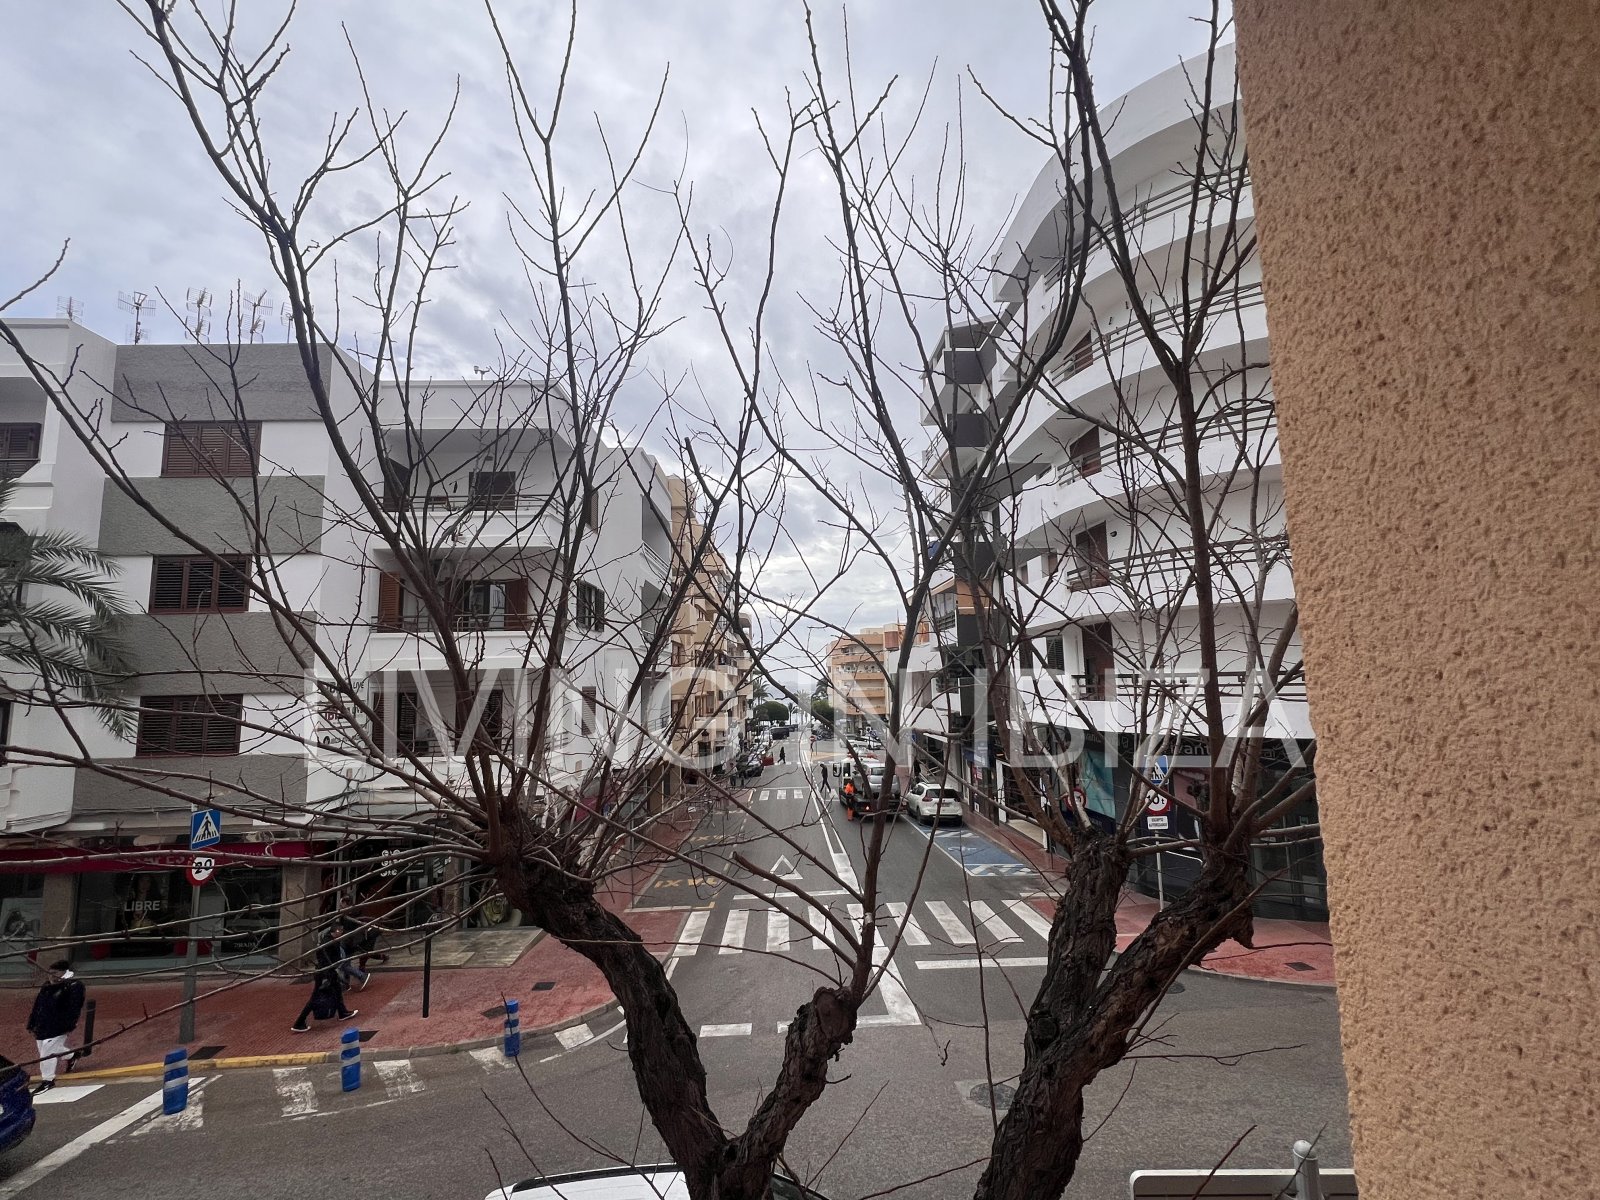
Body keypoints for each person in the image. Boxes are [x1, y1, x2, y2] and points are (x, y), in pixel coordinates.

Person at [26, 960, 85, 1094]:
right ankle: (72, 1055)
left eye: (55, 973)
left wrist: (68, 1024)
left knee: (46, 1052)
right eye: (49, 973)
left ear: (64, 972)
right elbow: (38, 1005)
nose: (51, 976)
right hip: (42, 1024)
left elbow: (74, 1007)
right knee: (48, 1049)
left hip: (59, 1025)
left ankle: (48, 1080)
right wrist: (32, 1022)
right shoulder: (47, 986)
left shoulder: (74, 985)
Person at [291, 924, 359, 1032]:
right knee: (315, 998)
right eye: (340, 931)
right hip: (326, 973)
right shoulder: (329, 943)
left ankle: (342, 1012)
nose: (342, 933)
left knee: (336, 992)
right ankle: (299, 1022)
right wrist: (332, 970)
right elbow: (326, 959)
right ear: (336, 931)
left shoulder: (327, 940)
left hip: (326, 972)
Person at [332, 916, 370, 992]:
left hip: (348, 949)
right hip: (349, 948)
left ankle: (361, 976)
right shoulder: (344, 931)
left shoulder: (343, 936)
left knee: (345, 966)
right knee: (345, 966)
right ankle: (346, 984)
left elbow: (344, 947)